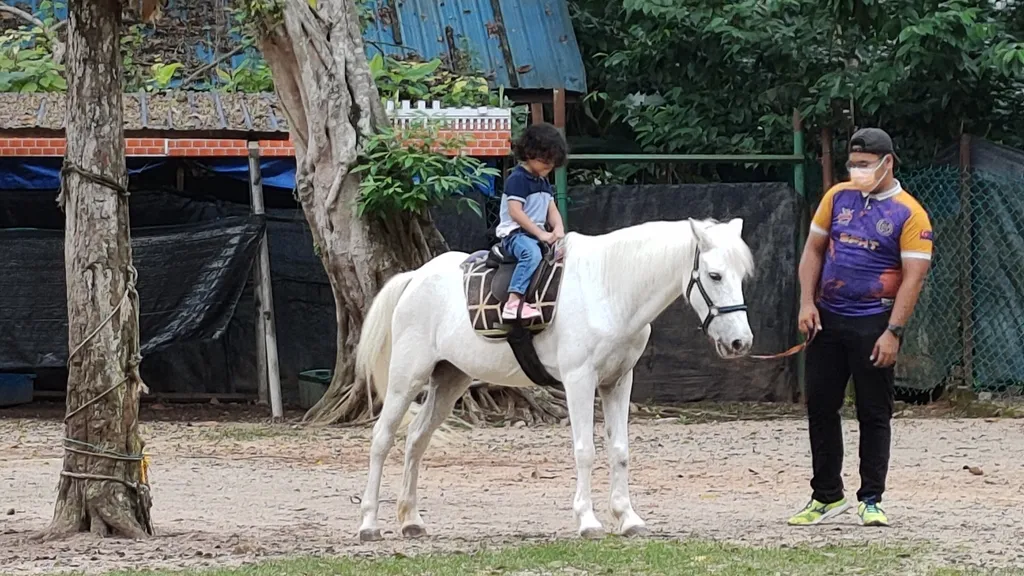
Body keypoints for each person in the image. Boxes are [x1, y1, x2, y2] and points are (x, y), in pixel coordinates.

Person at [788, 127, 933, 528]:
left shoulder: (910, 213)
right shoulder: (837, 198)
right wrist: (806, 302)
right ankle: (825, 496)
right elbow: (813, 250)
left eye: (865, 165)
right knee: (820, 406)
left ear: (887, 163)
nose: (857, 171)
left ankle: (871, 498)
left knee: (873, 413)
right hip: (828, 319)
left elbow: (914, 277)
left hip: (875, 323)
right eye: (853, 164)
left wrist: (894, 331)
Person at [494, 122, 568, 321]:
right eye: (546, 159)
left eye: (553, 161)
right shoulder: (517, 179)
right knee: (531, 254)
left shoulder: (542, 181)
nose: (550, 165)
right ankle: (514, 301)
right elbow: (515, 212)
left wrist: (559, 228)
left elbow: (551, 209)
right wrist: (541, 234)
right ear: (529, 153)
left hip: (535, 234)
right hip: (516, 235)